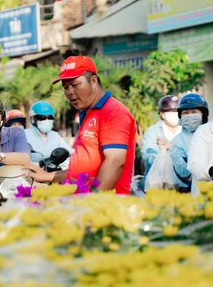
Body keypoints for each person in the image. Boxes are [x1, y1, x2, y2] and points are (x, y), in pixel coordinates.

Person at [26, 56, 136, 195]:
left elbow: (115, 161)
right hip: (81, 202)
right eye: (65, 87)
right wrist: (48, 176)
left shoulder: (112, 112)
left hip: (106, 206)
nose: (70, 92)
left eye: (75, 85)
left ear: (93, 81)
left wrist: (92, 199)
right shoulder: (88, 113)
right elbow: (82, 171)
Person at [158, 93, 209, 192]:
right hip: (192, 190)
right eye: (185, 113)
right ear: (180, 116)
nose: (189, 116)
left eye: (194, 112)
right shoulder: (176, 142)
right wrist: (172, 150)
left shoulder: (212, 134)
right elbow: (184, 173)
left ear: (203, 114)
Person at [24, 100, 73, 166]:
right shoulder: (24, 135)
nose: (46, 120)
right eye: (42, 118)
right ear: (33, 119)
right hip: (31, 173)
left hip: (53, 173)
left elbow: (70, 152)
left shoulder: (55, 136)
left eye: (50, 117)